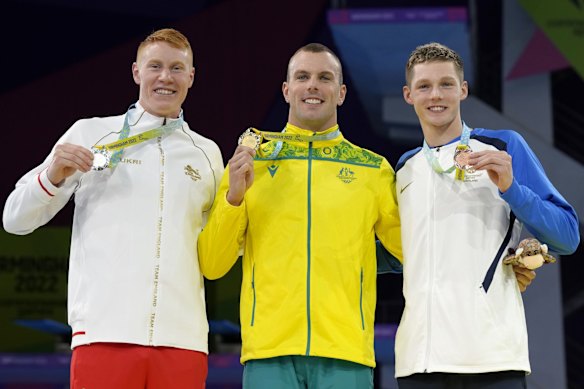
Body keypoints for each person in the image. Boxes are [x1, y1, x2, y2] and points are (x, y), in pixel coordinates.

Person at [2, 28, 224, 388]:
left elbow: (217, 245)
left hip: (183, 341)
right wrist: (53, 177)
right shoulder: (90, 134)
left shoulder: (208, 154)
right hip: (104, 334)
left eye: (176, 68)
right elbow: (14, 219)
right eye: (155, 66)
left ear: (191, 77)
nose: (165, 77)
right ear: (137, 72)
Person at [198, 43, 403, 388]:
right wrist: (234, 196)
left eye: (324, 78)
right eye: (302, 76)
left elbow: (411, 252)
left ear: (340, 93)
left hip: (346, 353)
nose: (312, 85)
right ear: (286, 89)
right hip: (268, 352)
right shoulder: (251, 163)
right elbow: (213, 264)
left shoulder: (373, 170)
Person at [393, 42, 580, 388]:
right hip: (418, 361)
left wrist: (511, 188)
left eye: (447, 84)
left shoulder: (502, 147)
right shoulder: (405, 169)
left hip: (491, 356)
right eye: (424, 86)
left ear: (463, 90)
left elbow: (567, 236)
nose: (436, 94)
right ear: (408, 94)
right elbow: (402, 253)